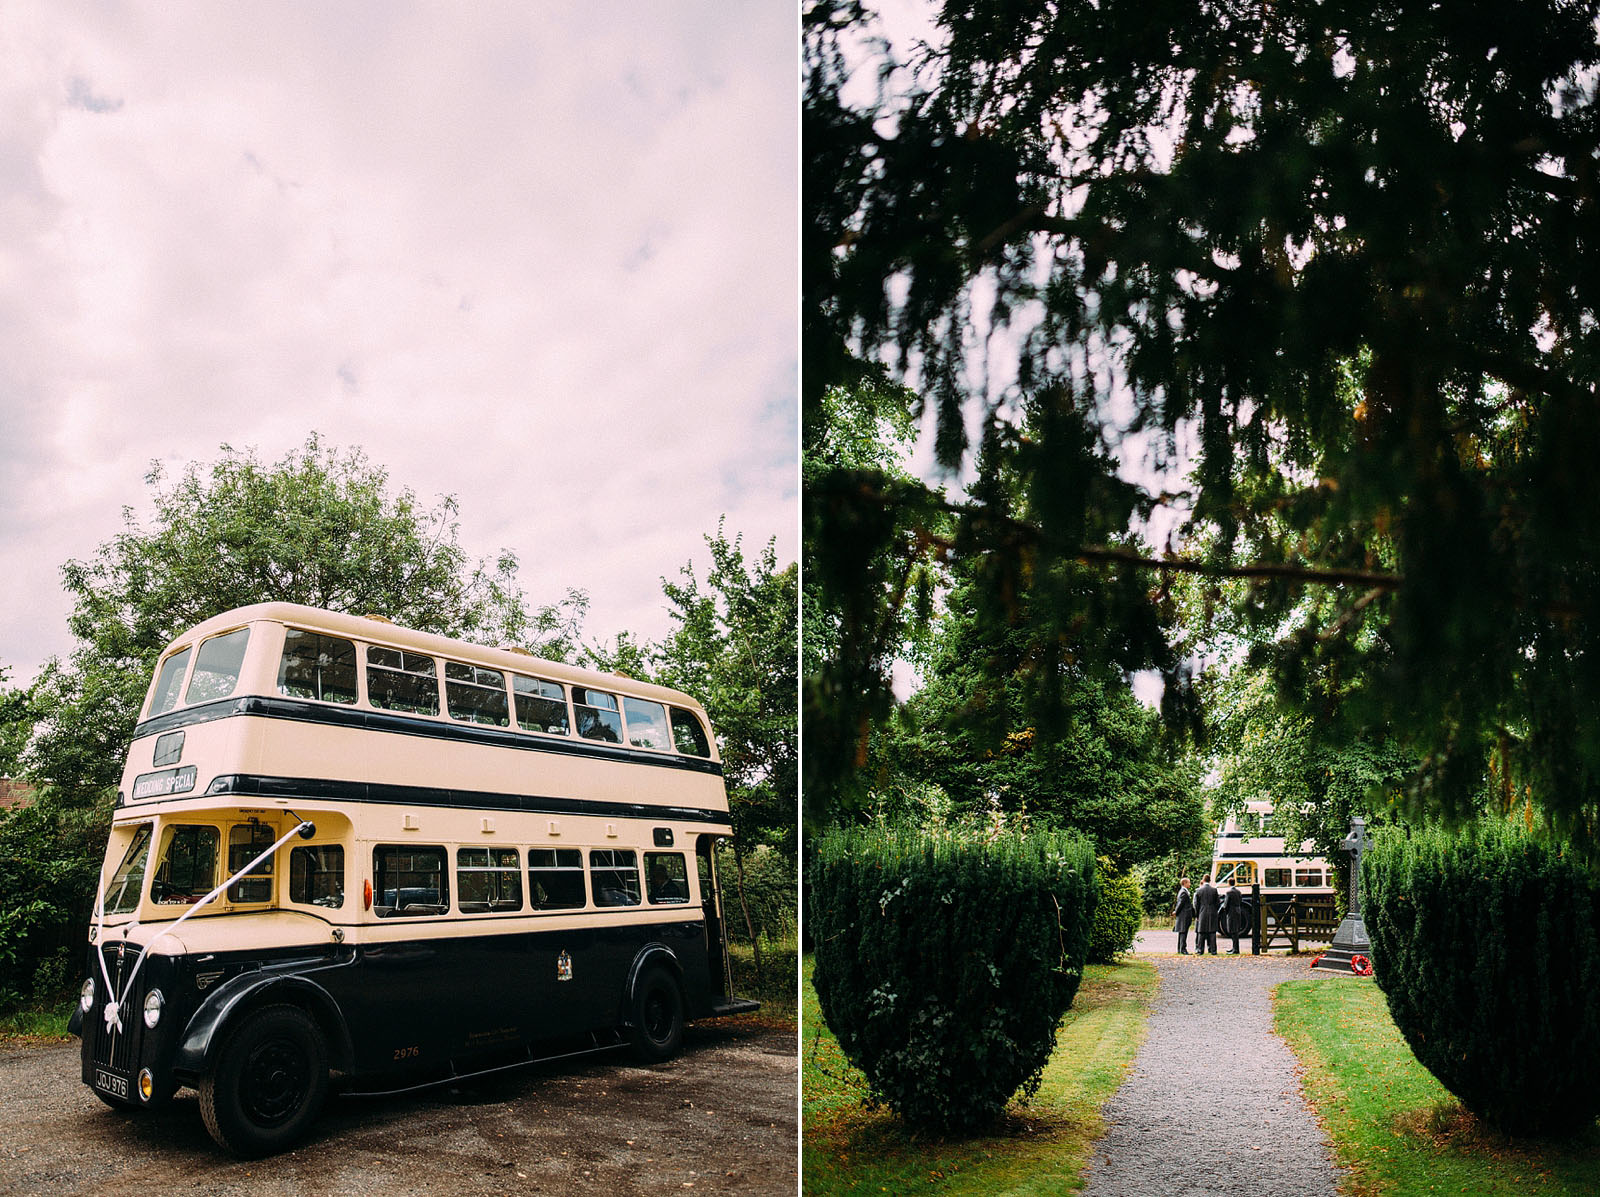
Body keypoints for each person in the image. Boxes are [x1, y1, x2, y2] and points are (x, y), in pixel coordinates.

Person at [1193, 874, 1220, 955]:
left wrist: (1197, 915)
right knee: (1212, 932)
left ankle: (1200, 950)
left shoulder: (1199, 891)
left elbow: (1196, 904)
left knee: (1201, 932)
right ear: (1210, 880)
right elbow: (1218, 903)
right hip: (1212, 912)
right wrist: (1215, 911)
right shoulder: (1214, 890)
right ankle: (1213, 950)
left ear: (1203, 880)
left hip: (1202, 912)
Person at [1221, 877, 1246, 954]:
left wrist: (1225, 910)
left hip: (1231, 912)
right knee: (1236, 930)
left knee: (1232, 930)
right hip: (1238, 911)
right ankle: (1235, 948)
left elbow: (1226, 904)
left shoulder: (1228, 892)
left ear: (1229, 883)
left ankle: (1235, 949)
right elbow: (1241, 901)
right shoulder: (1238, 891)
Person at [1172, 876, 1195, 954]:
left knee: (1182, 932)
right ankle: (1183, 949)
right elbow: (1180, 904)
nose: (1190, 884)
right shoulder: (1183, 892)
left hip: (1183, 915)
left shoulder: (1182, 891)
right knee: (1183, 932)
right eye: (1189, 882)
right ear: (1184, 883)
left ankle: (1180, 949)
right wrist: (1176, 911)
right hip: (1184, 915)